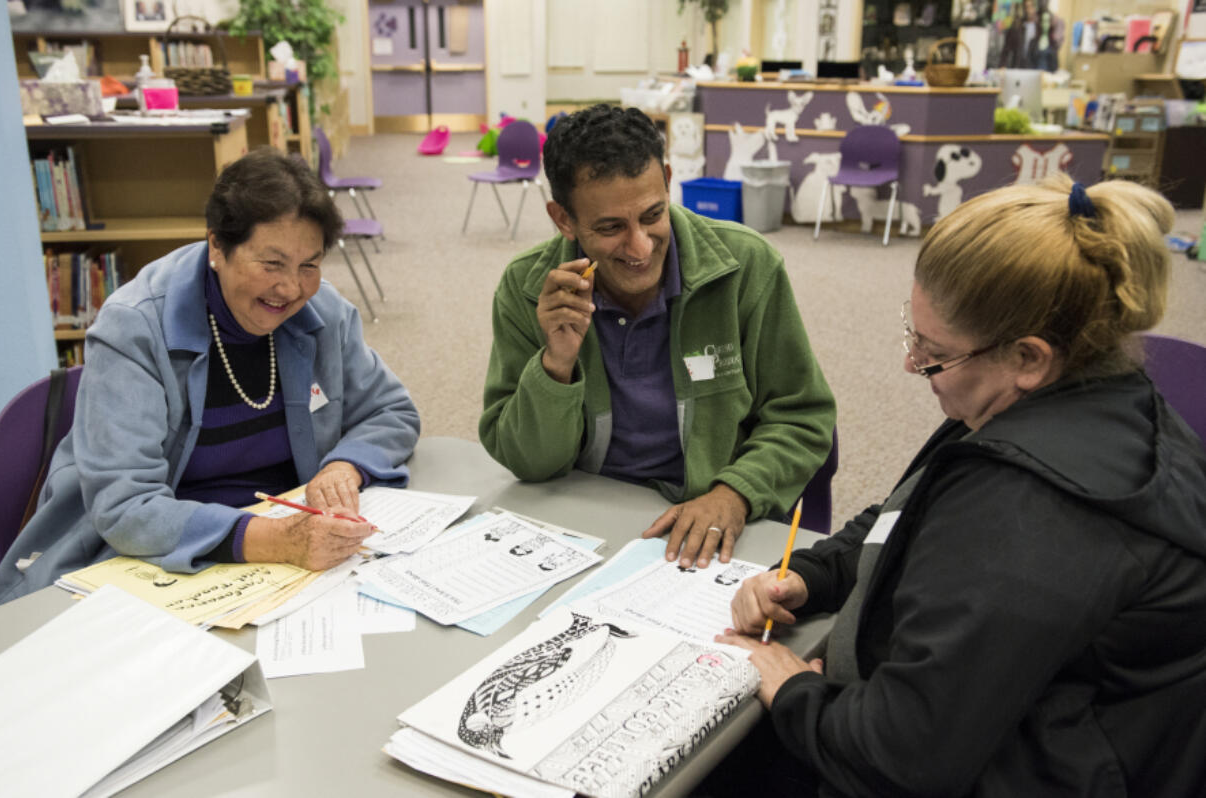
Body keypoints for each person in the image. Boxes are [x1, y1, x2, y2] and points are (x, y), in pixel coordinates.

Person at [710, 176, 1206, 796]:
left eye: (933, 351)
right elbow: (909, 510)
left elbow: (901, 756)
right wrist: (814, 572)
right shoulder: (1073, 400)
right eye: (913, 333)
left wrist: (793, 689)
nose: (910, 363)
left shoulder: (1033, 513)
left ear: (1028, 358)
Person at [0, 149, 420, 611]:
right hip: (156, 558)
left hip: (285, 558)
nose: (291, 289)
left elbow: (391, 409)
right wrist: (279, 540)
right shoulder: (133, 328)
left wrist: (343, 466)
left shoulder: (322, 312)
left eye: (308, 265)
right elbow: (125, 507)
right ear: (217, 246)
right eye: (271, 264)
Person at [479, 104, 835, 570]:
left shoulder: (747, 267)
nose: (640, 247)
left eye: (652, 214)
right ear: (563, 219)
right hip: (583, 519)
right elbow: (528, 462)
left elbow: (803, 416)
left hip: (709, 517)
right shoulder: (528, 288)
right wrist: (556, 364)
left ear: (668, 180)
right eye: (610, 228)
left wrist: (735, 493)